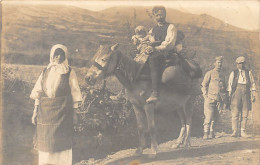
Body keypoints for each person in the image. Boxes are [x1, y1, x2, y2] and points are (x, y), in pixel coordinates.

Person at [30, 44, 82, 165]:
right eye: (56, 54)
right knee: (46, 141)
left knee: (61, 141)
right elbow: (38, 92)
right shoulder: (45, 71)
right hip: (45, 112)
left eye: (61, 54)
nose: (58, 57)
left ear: (65, 56)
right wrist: (34, 112)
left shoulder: (69, 72)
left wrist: (75, 114)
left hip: (63, 112)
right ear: (52, 56)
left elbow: (75, 92)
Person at [145, 6, 178, 103]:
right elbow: (149, 39)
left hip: (166, 52)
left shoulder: (170, 27)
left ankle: (155, 92)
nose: (160, 17)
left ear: (165, 15)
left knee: (153, 59)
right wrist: (147, 47)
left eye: (162, 14)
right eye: (157, 15)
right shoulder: (153, 29)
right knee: (138, 59)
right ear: (154, 16)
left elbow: (169, 43)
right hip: (154, 50)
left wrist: (156, 48)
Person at [227, 56, 256, 138]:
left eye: (243, 63)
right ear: (237, 64)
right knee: (235, 113)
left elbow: (252, 84)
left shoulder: (248, 72)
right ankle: (235, 130)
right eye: (240, 63)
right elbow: (229, 84)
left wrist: (253, 94)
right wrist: (229, 95)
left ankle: (243, 131)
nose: (242, 65)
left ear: (245, 64)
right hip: (236, 94)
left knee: (245, 112)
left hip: (246, 94)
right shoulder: (233, 73)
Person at [201, 56, 226, 139]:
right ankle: (205, 133)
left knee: (216, 117)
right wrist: (205, 96)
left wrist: (224, 97)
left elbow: (224, 87)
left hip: (219, 99)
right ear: (214, 63)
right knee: (208, 117)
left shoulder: (222, 74)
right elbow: (203, 85)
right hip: (210, 98)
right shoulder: (209, 73)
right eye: (218, 62)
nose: (220, 64)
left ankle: (212, 133)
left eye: (221, 62)